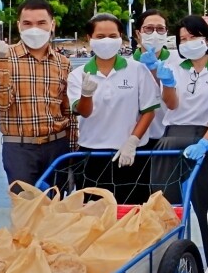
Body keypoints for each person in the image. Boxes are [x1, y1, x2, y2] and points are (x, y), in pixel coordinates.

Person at [153, 15, 208, 261]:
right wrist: (166, 82)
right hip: (172, 137)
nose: (187, 43)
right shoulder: (175, 67)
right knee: (165, 209)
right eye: (182, 39)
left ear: (206, 38)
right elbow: (172, 104)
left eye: (193, 37)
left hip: (203, 138)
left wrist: (206, 142)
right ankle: (169, 270)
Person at [68, 13, 160, 204]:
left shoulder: (137, 70)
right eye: (100, 37)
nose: (107, 41)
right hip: (92, 156)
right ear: (89, 39)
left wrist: (132, 141)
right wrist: (86, 94)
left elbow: (149, 110)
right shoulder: (78, 75)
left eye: (112, 36)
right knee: (94, 218)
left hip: (131, 156)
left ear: (120, 38)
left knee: (132, 215)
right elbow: (83, 111)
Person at [0, 0, 76, 186]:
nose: (34, 29)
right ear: (19, 25)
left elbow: (68, 110)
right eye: (27, 23)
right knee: (26, 207)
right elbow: (0, 104)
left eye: (41, 23)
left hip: (57, 145)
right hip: (20, 147)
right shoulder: (4, 56)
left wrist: (73, 150)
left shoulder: (63, 63)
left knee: (57, 206)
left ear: (52, 25)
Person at [133, 9, 173, 153]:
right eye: (149, 29)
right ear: (138, 34)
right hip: (136, 141)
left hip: (169, 139)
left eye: (160, 29)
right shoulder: (128, 65)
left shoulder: (178, 61)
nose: (155, 33)